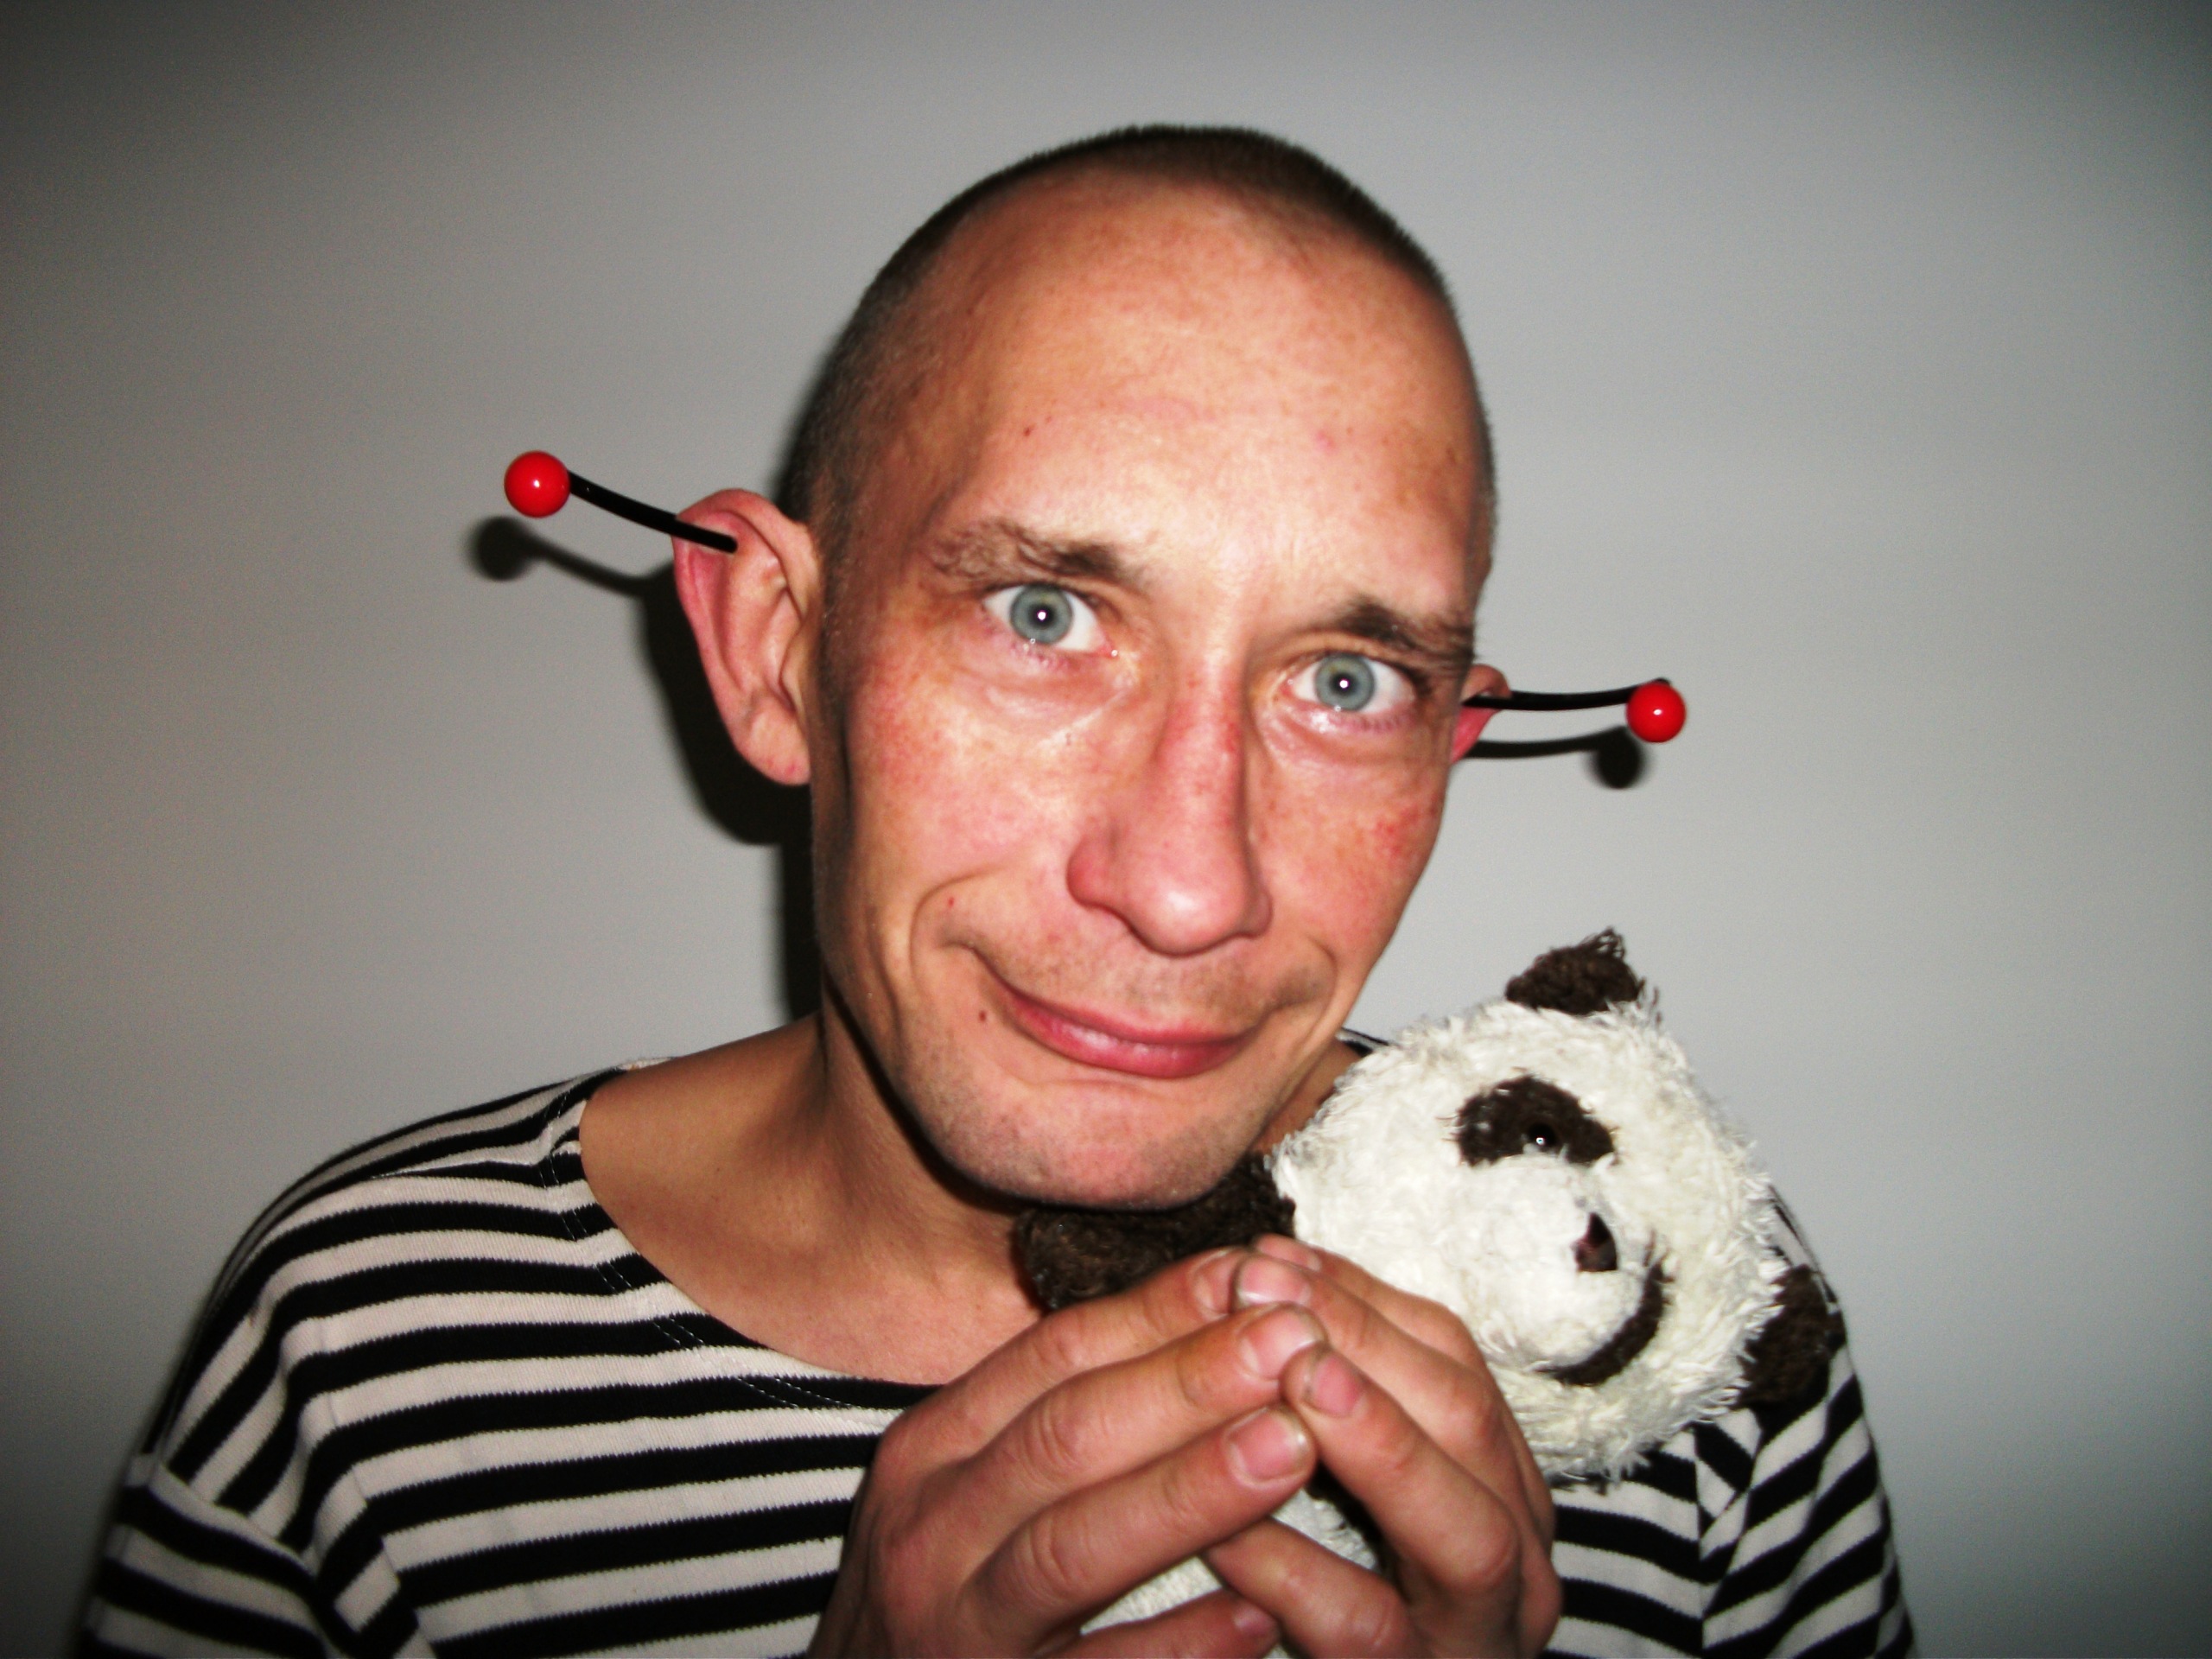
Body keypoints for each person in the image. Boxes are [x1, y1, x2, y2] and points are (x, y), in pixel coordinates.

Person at [82, 128, 1910, 1658]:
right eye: (1045, 616)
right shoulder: (370, 1350)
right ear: (778, 652)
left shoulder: (1656, 1322)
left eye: (1345, 683)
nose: (1184, 889)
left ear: (1447, 746)